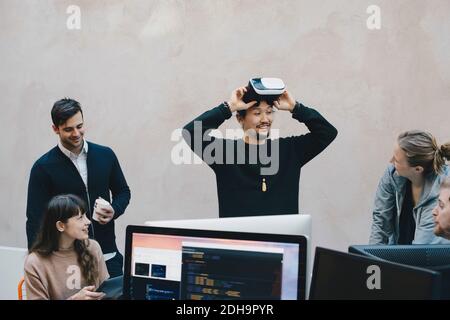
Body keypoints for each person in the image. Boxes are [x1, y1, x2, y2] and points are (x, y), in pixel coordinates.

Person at [183, 84, 338, 217]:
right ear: (240, 119)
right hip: (240, 246)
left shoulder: (290, 150)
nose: (265, 119)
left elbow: (327, 132)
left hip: (283, 246)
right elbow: (191, 132)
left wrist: (295, 108)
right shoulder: (224, 153)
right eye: (257, 113)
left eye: (269, 112)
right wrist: (229, 107)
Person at [26, 98, 131, 277]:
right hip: (68, 263)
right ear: (55, 129)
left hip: (108, 256)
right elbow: (35, 220)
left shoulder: (105, 155)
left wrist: (115, 209)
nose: (76, 133)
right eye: (68, 129)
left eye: (79, 126)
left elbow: (123, 192)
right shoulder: (42, 167)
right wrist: (39, 263)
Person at [369, 131, 450, 244]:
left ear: (417, 169)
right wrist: (372, 260)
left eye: (396, 160)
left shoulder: (440, 190)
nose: (391, 161)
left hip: (423, 257)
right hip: (398, 252)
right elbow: (380, 221)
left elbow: (421, 251)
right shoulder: (392, 173)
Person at [24, 194, 109, 300]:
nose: (88, 221)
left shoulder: (93, 247)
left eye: (86, 216)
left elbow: (107, 291)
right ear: (61, 226)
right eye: (80, 218)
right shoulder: (35, 262)